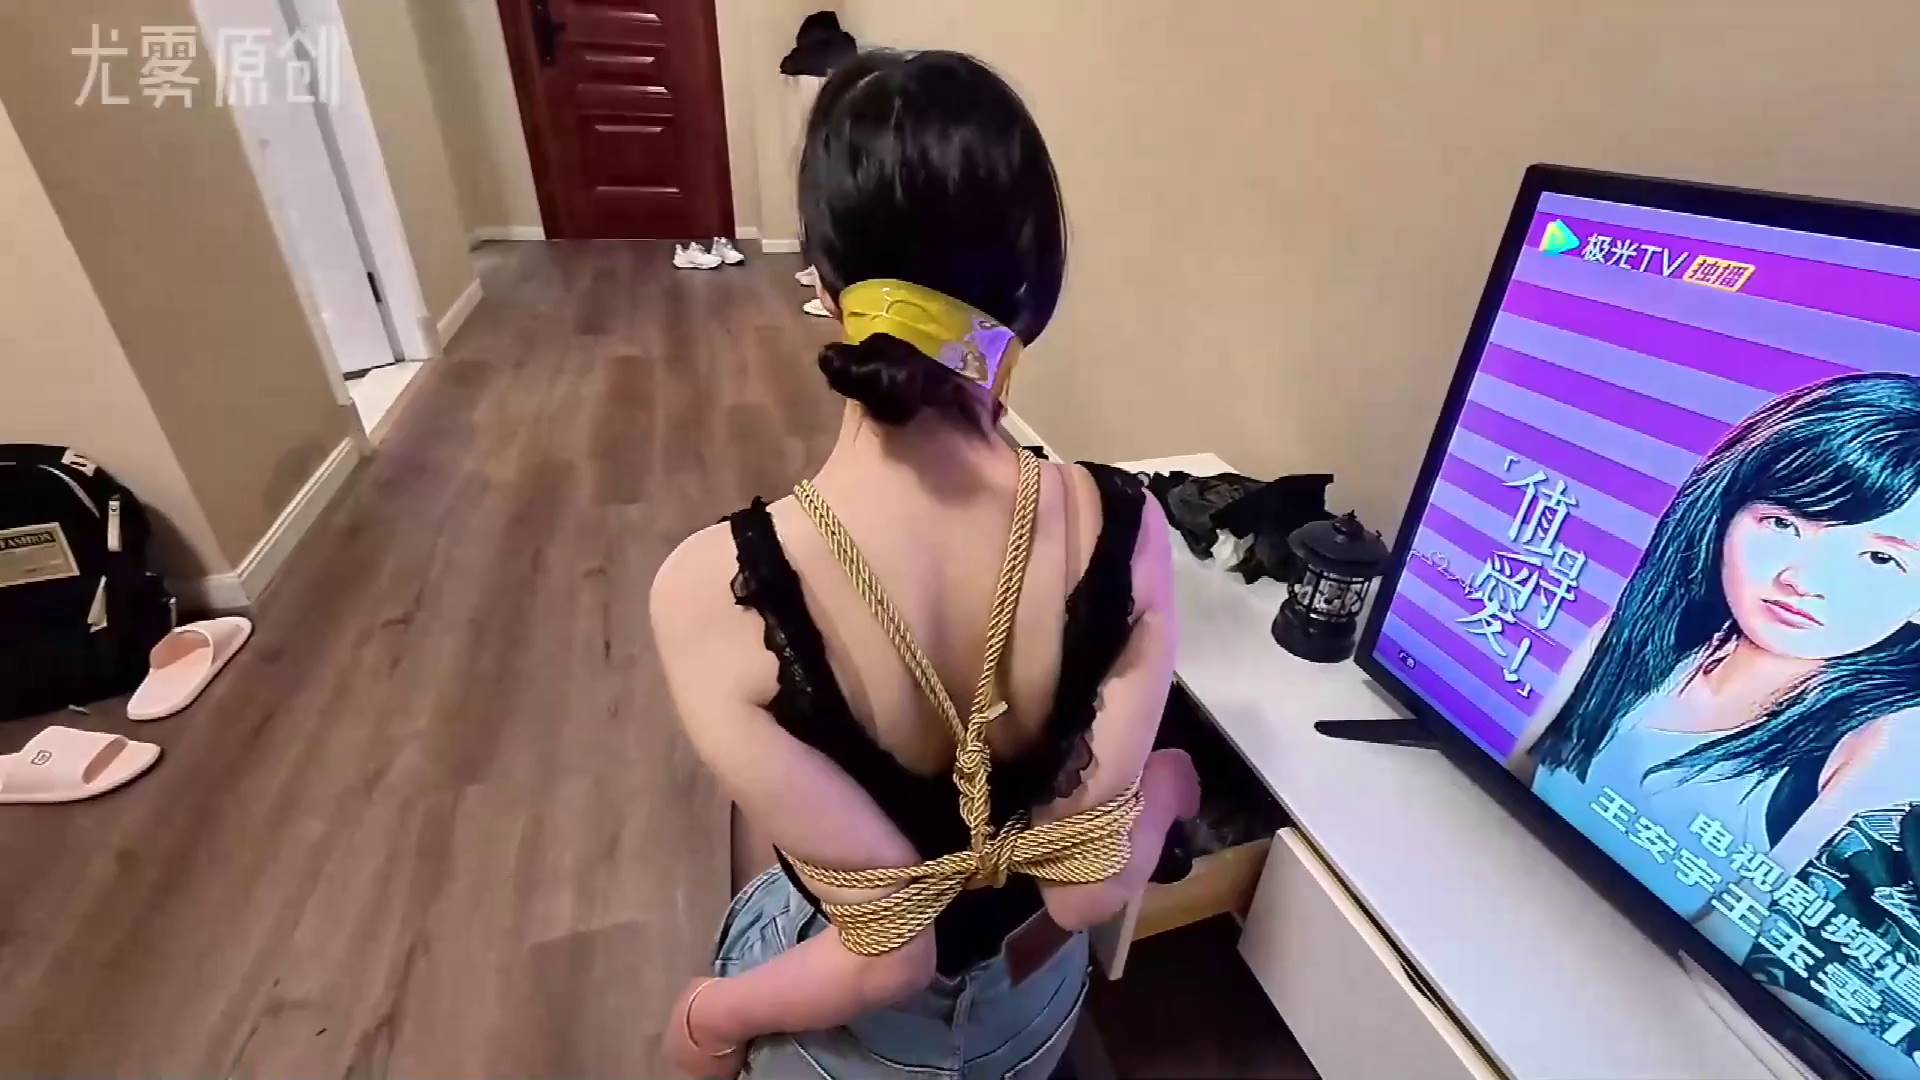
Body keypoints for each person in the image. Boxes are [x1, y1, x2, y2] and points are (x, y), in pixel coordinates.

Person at [650, 50, 1200, 1079]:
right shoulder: (1127, 532)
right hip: (1024, 1025)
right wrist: (1171, 785)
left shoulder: (709, 590)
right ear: (1035, 291)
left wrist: (701, 1021)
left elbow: (886, 955)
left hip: (844, 1047)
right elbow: (1083, 890)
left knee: (762, 894)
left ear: (823, 283)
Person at [1511, 373, 1920, 929]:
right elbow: (1510, 782)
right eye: (1783, 524)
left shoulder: (1877, 744)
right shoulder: (1640, 636)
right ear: (1725, 513)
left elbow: (1730, 947)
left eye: (1880, 559)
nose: (1804, 580)